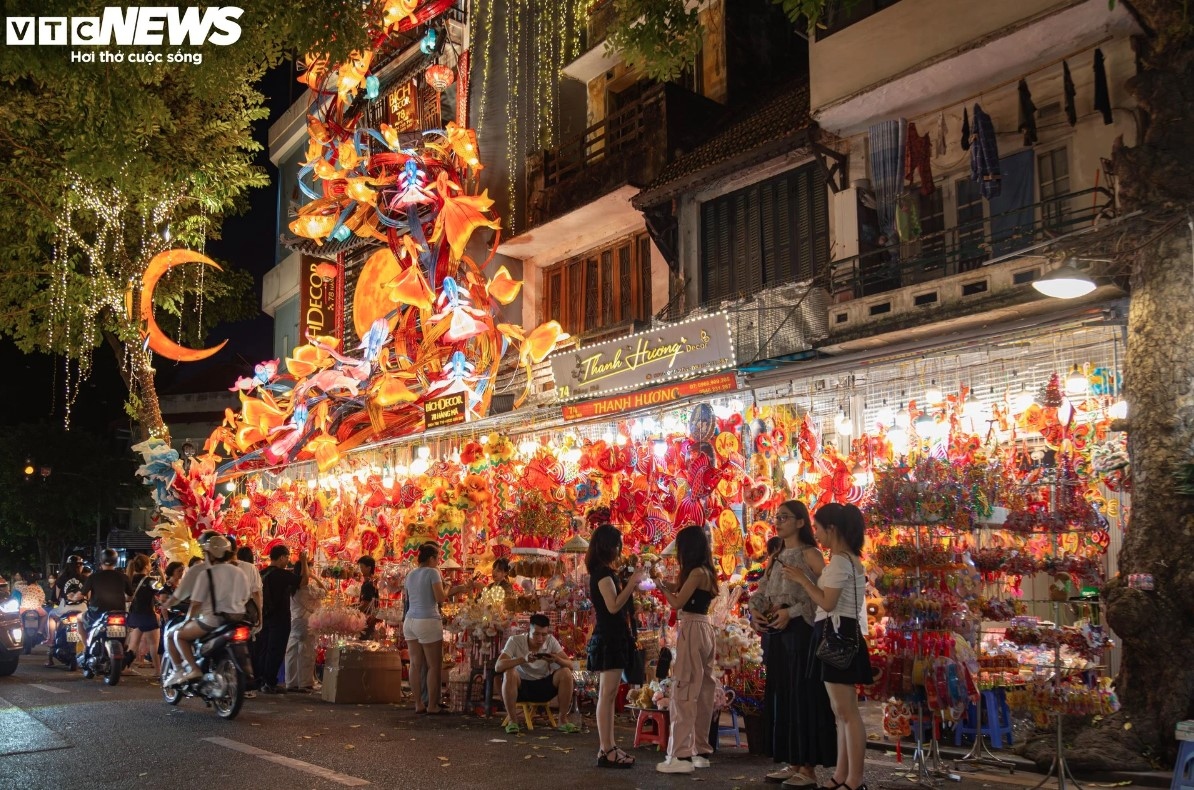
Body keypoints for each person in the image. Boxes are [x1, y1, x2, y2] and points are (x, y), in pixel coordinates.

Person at [784, 503, 872, 790]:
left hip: (836, 635)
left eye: (819, 528)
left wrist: (803, 580)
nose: (817, 535)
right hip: (839, 634)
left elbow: (827, 602)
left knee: (846, 712)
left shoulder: (840, 562)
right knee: (841, 712)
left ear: (832, 529)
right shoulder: (847, 560)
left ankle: (854, 779)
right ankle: (841, 775)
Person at [750, 501, 836, 787]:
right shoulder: (776, 554)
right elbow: (763, 588)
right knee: (782, 695)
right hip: (775, 631)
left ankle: (808, 769)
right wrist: (755, 611)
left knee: (803, 696)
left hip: (800, 631)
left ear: (801, 522)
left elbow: (823, 596)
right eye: (777, 517)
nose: (778, 522)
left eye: (784, 517)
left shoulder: (811, 554)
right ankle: (793, 761)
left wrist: (792, 612)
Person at [654, 526, 720, 774]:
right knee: (703, 691)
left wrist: (661, 589)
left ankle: (680, 755)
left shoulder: (695, 573)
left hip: (691, 627)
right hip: (705, 627)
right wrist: (665, 584)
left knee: (683, 690)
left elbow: (678, 602)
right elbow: (685, 592)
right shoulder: (707, 572)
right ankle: (700, 751)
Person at [585, 522, 644, 769]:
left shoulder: (605, 573)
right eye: (618, 544)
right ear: (609, 546)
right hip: (610, 638)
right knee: (607, 695)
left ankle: (607, 747)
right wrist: (632, 584)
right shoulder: (602, 574)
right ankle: (606, 748)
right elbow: (612, 605)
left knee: (607, 696)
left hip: (614, 637)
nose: (621, 549)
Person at [165, 533, 249, 687]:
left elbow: (195, 604)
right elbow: (245, 596)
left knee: (176, 635)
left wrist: (187, 621)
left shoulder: (207, 573)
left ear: (211, 553)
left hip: (211, 621)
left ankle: (191, 669)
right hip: (236, 619)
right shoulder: (240, 572)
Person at [403, 542, 476, 714]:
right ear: (431, 558)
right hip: (428, 620)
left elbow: (412, 597)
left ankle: (418, 703)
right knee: (434, 666)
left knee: (414, 664)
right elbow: (440, 597)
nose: (439, 562)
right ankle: (432, 706)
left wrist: (454, 588)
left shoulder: (410, 574)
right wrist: (449, 586)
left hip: (410, 621)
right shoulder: (433, 572)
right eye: (438, 558)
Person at [494, 613, 578, 734]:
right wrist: (523, 659)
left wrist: (556, 659)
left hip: (544, 687)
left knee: (565, 672)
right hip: (521, 687)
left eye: (544, 635)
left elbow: (571, 665)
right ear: (529, 630)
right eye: (536, 634)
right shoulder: (515, 640)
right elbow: (498, 667)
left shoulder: (550, 641)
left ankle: (562, 720)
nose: (540, 639)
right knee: (509, 672)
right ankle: (513, 721)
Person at [258, 545, 307, 693]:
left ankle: (262, 681)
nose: (288, 560)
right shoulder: (282, 574)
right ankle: (270, 683)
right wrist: (303, 561)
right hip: (280, 618)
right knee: (276, 650)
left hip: (264, 617)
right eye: (287, 557)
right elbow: (304, 581)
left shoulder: (262, 573)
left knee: (264, 650)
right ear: (281, 558)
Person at [80, 549, 132, 641]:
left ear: (101, 561)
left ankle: (86, 647)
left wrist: (73, 597)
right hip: (119, 614)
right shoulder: (123, 577)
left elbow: (81, 594)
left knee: (78, 618)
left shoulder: (93, 577)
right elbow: (130, 596)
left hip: (96, 614)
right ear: (116, 561)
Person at [124, 554, 163, 678]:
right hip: (147, 615)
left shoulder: (129, 579)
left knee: (133, 644)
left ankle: (126, 667)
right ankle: (158, 671)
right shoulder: (150, 581)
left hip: (134, 615)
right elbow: (163, 589)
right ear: (147, 566)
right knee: (154, 644)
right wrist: (161, 574)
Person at [285, 570, 323, 692]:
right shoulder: (308, 589)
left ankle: (291, 682)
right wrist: (315, 577)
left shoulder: (291, 588)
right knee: (306, 651)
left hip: (294, 621)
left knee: (292, 651)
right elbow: (324, 592)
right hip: (306, 621)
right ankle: (305, 682)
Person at [14, 571, 48, 640]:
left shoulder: (24, 588)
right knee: (45, 615)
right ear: (36, 581)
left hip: (24, 609)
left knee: (18, 617)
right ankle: (40, 631)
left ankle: (22, 629)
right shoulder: (39, 588)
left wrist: (24, 582)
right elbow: (42, 599)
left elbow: (16, 585)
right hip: (36, 608)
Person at [357, 555, 380, 638]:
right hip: (371, 618)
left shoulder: (368, 584)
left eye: (362, 567)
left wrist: (354, 612)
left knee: (364, 640)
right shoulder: (373, 582)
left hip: (366, 619)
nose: (360, 570)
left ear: (369, 568)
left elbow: (366, 603)